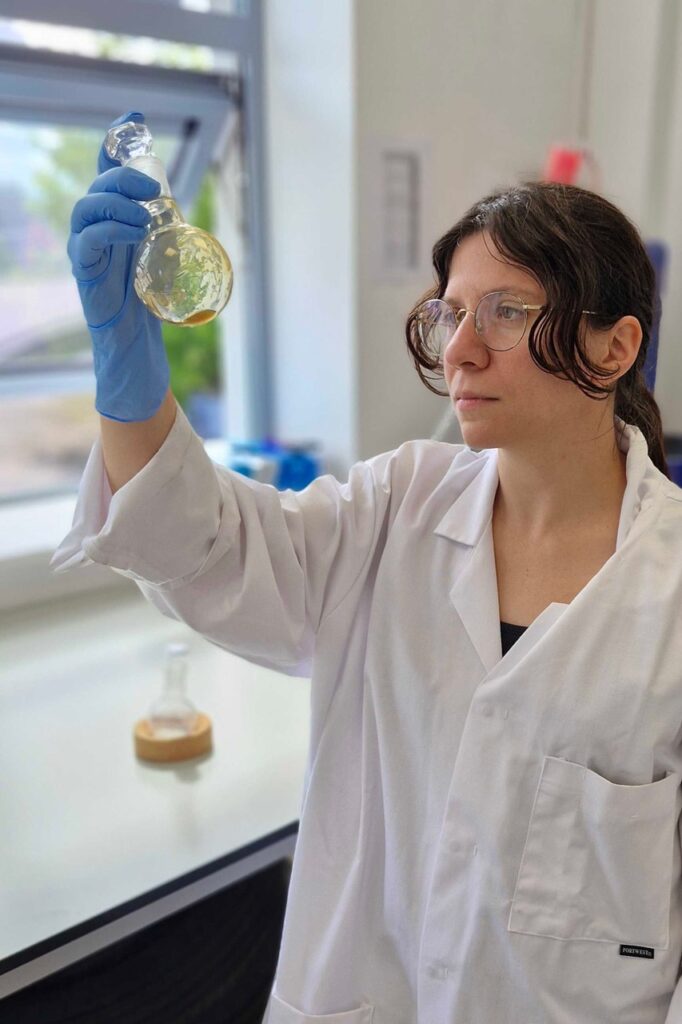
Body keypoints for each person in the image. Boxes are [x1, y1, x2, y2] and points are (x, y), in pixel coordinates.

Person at [52, 112, 682, 1024]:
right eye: (451, 312)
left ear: (614, 347)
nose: (460, 347)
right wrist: (129, 380)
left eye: (506, 312)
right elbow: (210, 549)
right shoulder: (401, 507)